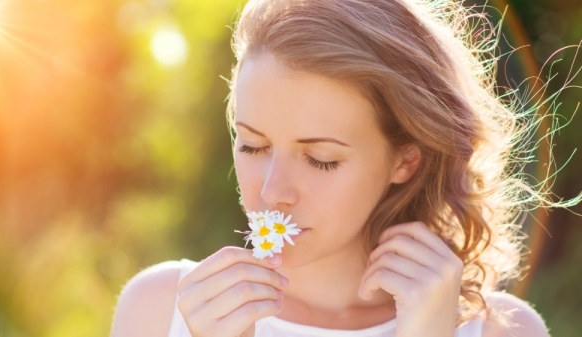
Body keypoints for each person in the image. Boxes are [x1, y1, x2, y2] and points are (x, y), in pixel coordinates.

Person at [110, 0, 578, 336]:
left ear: (404, 160)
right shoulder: (160, 308)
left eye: (321, 159)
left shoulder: (501, 329)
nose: (273, 193)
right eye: (252, 146)